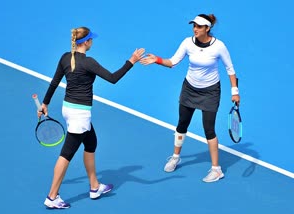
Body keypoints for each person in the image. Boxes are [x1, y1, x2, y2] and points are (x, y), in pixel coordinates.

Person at [37, 26, 145, 209]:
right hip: (80, 114)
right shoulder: (89, 62)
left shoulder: (65, 57)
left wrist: (45, 103)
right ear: (86, 42)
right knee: (66, 154)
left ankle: (95, 187)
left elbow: (55, 82)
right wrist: (131, 61)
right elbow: (113, 78)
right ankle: (52, 196)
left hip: (68, 109)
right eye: (91, 39)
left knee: (91, 142)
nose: (92, 41)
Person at [140, 14, 240, 182]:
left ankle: (217, 170)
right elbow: (172, 62)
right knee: (182, 124)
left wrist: (235, 91)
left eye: (199, 26)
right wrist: (156, 59)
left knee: (209, 130)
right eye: (194, 25)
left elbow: (230, 69)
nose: (195, 29)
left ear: (207, 28)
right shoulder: (187, 42)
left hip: (210, 92)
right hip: (189, 89)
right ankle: (175, 157)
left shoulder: (219, 46)